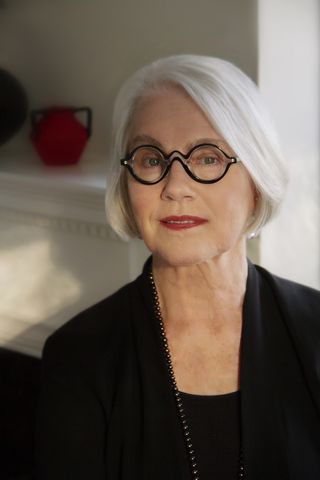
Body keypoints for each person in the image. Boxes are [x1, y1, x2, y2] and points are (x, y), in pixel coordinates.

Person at [35, 55, 320, 480]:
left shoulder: (315, 330)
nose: (174, 186)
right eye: (151, 159)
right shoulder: (77, 358)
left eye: (206, 157)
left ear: (256, 182)